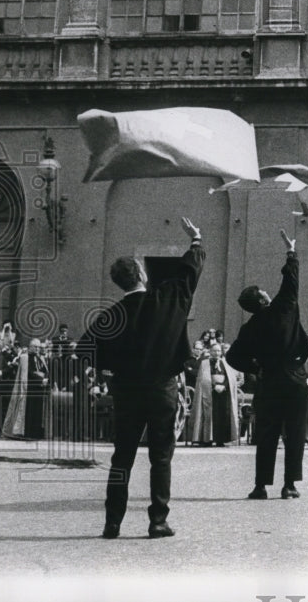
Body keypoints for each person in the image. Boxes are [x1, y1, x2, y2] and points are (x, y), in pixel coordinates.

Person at [79, 216, 204, 539]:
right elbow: (188, 275)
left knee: (122, 457)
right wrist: (196, 241)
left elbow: (83, 350)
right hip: (162, 388)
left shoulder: (111, 315)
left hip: (126, 392)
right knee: (161, 457)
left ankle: (113, 522)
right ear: (143, 274)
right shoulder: (165, 300)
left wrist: (108, 370)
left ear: (119, 282)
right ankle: (157, 521)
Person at [226, 230, 308, 500]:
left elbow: (232, 358)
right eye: (264, 292)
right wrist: (291, 252)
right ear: (263, 300)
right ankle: (289, 485)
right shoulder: (284, 308)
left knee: (266, 435)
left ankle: (260, 486)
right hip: (294, 378)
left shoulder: (249, 327)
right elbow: (291, 281)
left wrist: (255, 368)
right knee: (294, 434)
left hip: (268, 382)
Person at [190, 342, 239, 447]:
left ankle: (220, 439)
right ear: (210, 352)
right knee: (210, 415)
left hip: (223, 393)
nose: (217, 353)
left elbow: (230, 378)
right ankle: (207, 439)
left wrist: (224, 386)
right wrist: (214, 386)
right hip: (210, 392)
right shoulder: (204, 363)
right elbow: (203, 379)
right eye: (214, 351)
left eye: (218, 351)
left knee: (222, 415)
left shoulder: (225, 363)